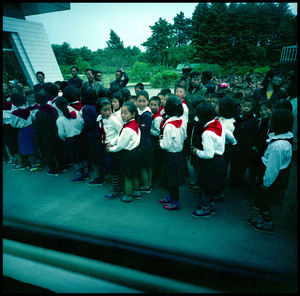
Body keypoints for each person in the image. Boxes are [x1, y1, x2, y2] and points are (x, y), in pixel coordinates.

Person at [247, 109, 294, 233]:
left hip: (271, 178)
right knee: (264, 201)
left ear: (277, 123)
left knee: (265, 201)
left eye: (272, 119)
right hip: (271, 175)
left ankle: (267, 223)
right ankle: (263, 219)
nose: (269, 121)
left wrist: (266, 184)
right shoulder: (282, 139)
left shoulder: (278, 146)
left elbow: (272, 168)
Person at [191, 102, 236, 217]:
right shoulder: (219, 123)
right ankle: (211, 204)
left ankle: (205, 208)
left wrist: (196, 151)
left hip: (211, 163)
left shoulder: (207, 133)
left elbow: (208, 154)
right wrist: (234, 143)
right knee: (213, 185)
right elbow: (230, 135)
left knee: (206, 185)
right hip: (220, 160)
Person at [107, 102, 141, 202]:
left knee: (127, 176)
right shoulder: (134, 124)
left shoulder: (127, 129)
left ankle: (128, 195)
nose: (122, 115)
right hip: (135, 152)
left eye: (125, 113)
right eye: (122, 113)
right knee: (134, 174)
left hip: (128, 155)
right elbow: (120, 138)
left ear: (133, 114)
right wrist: (113, 142)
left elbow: (121, 145)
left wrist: (111, 149)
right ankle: (136, 191)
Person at [159, 95, 187, 210]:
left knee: (172, 180)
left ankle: (175, 201)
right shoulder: (183, 121)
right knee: (174, 179)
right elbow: (184, 137)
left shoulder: (169, 125)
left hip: (170, 156)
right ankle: (171, 197)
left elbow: (166, 145)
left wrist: (160, 140)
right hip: (179, 154)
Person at [55, 96, 87, 182]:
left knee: (74, 159)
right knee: (82, 156)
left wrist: (65, 140)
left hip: (70, 141)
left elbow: (61, 134)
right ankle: (86, 172)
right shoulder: (76, 113)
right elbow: (82, 123)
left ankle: (79, 174)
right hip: (80, 138)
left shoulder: (60, 120)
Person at [33, 91, 65, 176]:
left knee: (49, 153)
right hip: (55, 132)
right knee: (58, 150)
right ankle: (62, 166)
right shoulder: (53, 109)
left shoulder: (39, 113)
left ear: (37, 101)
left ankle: (54, 170)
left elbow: (39, 128)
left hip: (46, 136)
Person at [96, 99, 123, 199]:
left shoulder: (114, 120)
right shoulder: (100, 119)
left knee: (114, 169)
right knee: (110, 168)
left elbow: (121, 132)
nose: (107, 112)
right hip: (104, 146)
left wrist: (112, 142)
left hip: (112, 147)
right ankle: (118, 187)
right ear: (100, 110)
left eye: (109, 110)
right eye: (104, 110)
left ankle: (115, 190)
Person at [230, 96, 258, 187]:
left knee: (241, 165)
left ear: (252, 108)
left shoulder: (253, 121)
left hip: (245, 147)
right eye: (244, 106)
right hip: (235, 145)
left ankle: (238, 181)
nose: (246, 108)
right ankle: (233, 180)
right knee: (234, 164)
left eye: (248, 106)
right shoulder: (237, 117)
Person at [80, 87, 104, 186]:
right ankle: (102, 175)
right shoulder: (96, 105)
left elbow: (88, 124)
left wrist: (83, 128)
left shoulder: (86, 108)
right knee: (100, 157)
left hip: (92, 136)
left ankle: (99, 178)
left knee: (96, 158)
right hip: (99, 133)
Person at [10, 93, 39, 171]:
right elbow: (33, 118)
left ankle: (33, 166)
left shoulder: (14, 113)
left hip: (23, 131)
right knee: (33, 146)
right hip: (31, 128)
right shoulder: (28, 110)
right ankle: (36, 162)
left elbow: (13, 124)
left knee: (27, 148)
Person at [136, 90, 153, 192]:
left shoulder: (145, 115)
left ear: (148, 101)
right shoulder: (141, 112)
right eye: (139, 101)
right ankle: (150, 183)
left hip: (144, 143)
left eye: (144, 101)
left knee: (144, 166)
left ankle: (146, 185)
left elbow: (143, 131)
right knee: (148, 165)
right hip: (146, 142)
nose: (141, 103)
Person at [149, 96, 163, 183]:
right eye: (151, 104)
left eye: (155, 105)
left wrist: (148, 129)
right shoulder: (151, 114)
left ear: (159, 106)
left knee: (155, 159)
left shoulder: (158, 118)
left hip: (154, 141)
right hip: (152, 140)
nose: (152, 106)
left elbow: (157, 132)